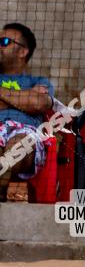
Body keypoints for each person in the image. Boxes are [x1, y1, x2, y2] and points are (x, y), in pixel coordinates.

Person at [0, 23, 54, 201]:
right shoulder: (33, 87)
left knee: (19, 143)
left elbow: (38, 103)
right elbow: (31, 101)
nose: (0, 45)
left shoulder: (39, 80)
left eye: (5, 41)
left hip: (25, 133)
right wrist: (23, 99)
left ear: (23, 51)